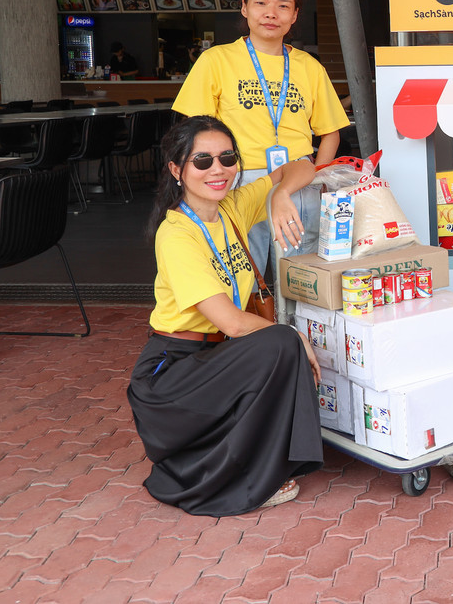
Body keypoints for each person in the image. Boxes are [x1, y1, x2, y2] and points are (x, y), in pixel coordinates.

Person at [127, 115, 323, 516]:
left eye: (227, 157)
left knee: (274, 346)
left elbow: (305, 163)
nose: (218, 170)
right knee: (281, 341)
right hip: (173, 372)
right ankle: (249, 477)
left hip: (215, 356)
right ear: (176, 169)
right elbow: (232, 322)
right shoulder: (177, 234)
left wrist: (281, 192)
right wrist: (295, 335)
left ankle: (275, 457)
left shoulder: (231, 207)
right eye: (202, 161)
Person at [173, 0, 350, 267]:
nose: (271, 13)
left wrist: (319, 183)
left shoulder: (309, 66)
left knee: (301, 277)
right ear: (244, 8)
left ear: (294, 15)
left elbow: (330, 132)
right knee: (243, 275)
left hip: (298, 182)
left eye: (283, 6)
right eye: (261, 3)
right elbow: (196, 131)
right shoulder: (217, 60)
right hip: (237, 180)